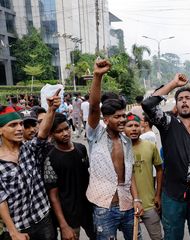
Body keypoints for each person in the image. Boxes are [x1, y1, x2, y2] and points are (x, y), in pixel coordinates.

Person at [142, 73, 190, 240]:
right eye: (180, 99)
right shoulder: (168, 124)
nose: (184, 101)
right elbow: (148, 104)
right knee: (172, 235)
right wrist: (173, 83)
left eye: (188, 98)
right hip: (173, 196)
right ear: (177, 105)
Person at [87, 59, 143, 240]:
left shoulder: (126, 141)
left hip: (128, 205)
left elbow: (131, 174)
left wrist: (136, 199)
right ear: (106, 119)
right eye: (117, 117)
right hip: (104, 208)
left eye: (123, 116)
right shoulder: (96, 136)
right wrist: (98, 76)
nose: (122, 120)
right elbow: (94, 107)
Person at [0, 90, 61, 240]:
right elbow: (1, 199)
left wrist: (52, 110)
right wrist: (13, 232)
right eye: (13, 125)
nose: (20, 128)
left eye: (20, 124)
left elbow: (42, 134)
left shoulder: (28, 149)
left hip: (43, 218)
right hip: (19, 226)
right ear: (0, 131)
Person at [44, 113, 95, 240]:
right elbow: (53, 195)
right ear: (51, 134)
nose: (65, 133)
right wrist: (63, 225)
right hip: (68, 214)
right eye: (59, 131)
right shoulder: (50, 158)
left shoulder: (81, 149)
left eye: (66, 128)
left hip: (89, 209)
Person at [124, 113, 163, 240]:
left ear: (142, 127)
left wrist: (157, 195)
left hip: (149, 203)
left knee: (157, 237)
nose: (134, 128)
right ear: (123, 128)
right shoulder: (120, 148)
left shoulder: (150, 146)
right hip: (128, 206)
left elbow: (159, 169)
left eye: (137, 125)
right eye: (130, 126)